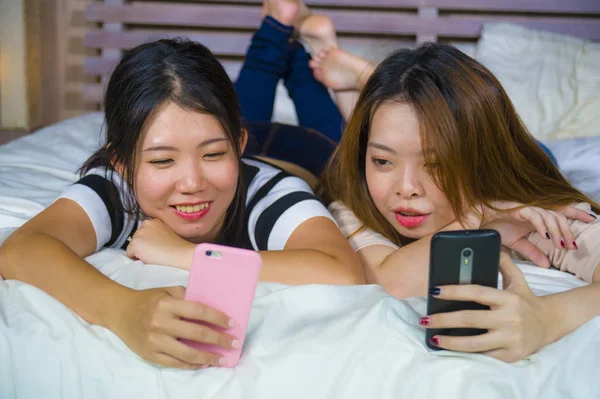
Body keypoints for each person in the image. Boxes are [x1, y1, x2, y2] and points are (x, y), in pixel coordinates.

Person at [0, 37, 364, 370]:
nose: (192, 184)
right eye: (162, 160)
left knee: (331, 135)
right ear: (122, 163)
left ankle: (297, 45)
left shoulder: (269, 191)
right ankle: (276, 30)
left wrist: (185, 254)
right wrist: (122, 309)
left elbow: (342, 273)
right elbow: (20, 250)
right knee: (249, 100)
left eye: (214, 153)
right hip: (237, 137)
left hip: (301, 151)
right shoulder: (116, 187)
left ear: (237, 146)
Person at [313, 41, 600, 362]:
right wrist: (480, 217)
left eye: (436, 165)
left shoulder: (529, 214)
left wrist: (547, 318)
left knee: (541, 155)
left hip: (507, 165)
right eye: (382, 161)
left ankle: (367, 77)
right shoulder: (357, 199)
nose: (406, 189)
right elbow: (390, 282)